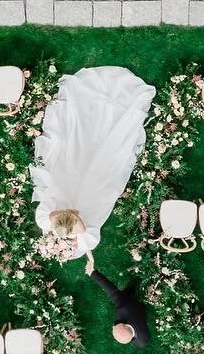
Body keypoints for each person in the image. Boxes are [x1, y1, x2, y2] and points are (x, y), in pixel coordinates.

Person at [31, 66, 156, 261]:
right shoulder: (83, 237)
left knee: (77, 148)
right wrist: (70, 231)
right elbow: (82, 228)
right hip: (90, 194)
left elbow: (65, 219)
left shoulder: (44, 219)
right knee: (104, 159)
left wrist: (67, 227)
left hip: (66, 182)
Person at [85, 260, 151, 347]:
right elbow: (112, 291)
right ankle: (132, 288)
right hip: (134, 306)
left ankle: (132, 290)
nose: (113, 326)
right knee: (127, 293)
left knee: (128, 294)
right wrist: (92, 273)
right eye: (116, 325)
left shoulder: (142, 342)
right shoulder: (123, 307)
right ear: (126, 325)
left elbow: (111, 290)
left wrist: (93, 274)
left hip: (140, 311)